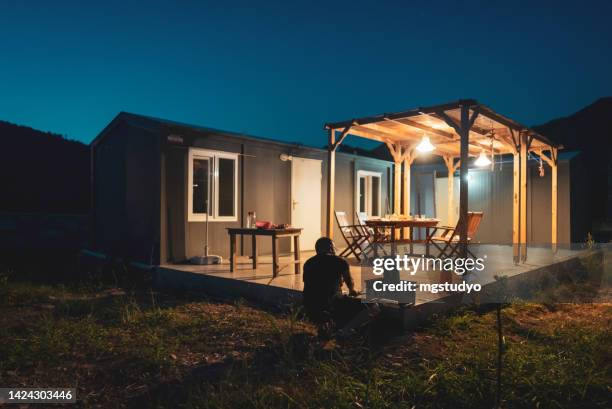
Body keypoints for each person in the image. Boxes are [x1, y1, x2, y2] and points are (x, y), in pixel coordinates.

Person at [303, 237, 372, 336]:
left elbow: (312, 285)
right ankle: (344, 333)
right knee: (372, 306)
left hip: (310, 307)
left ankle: (326, 328)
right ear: (331, 247)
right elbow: (351, 287)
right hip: (332, 305)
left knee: (329, 298)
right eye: (334, 248)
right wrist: (353, 290)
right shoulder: (339, 261)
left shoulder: (308, 263)